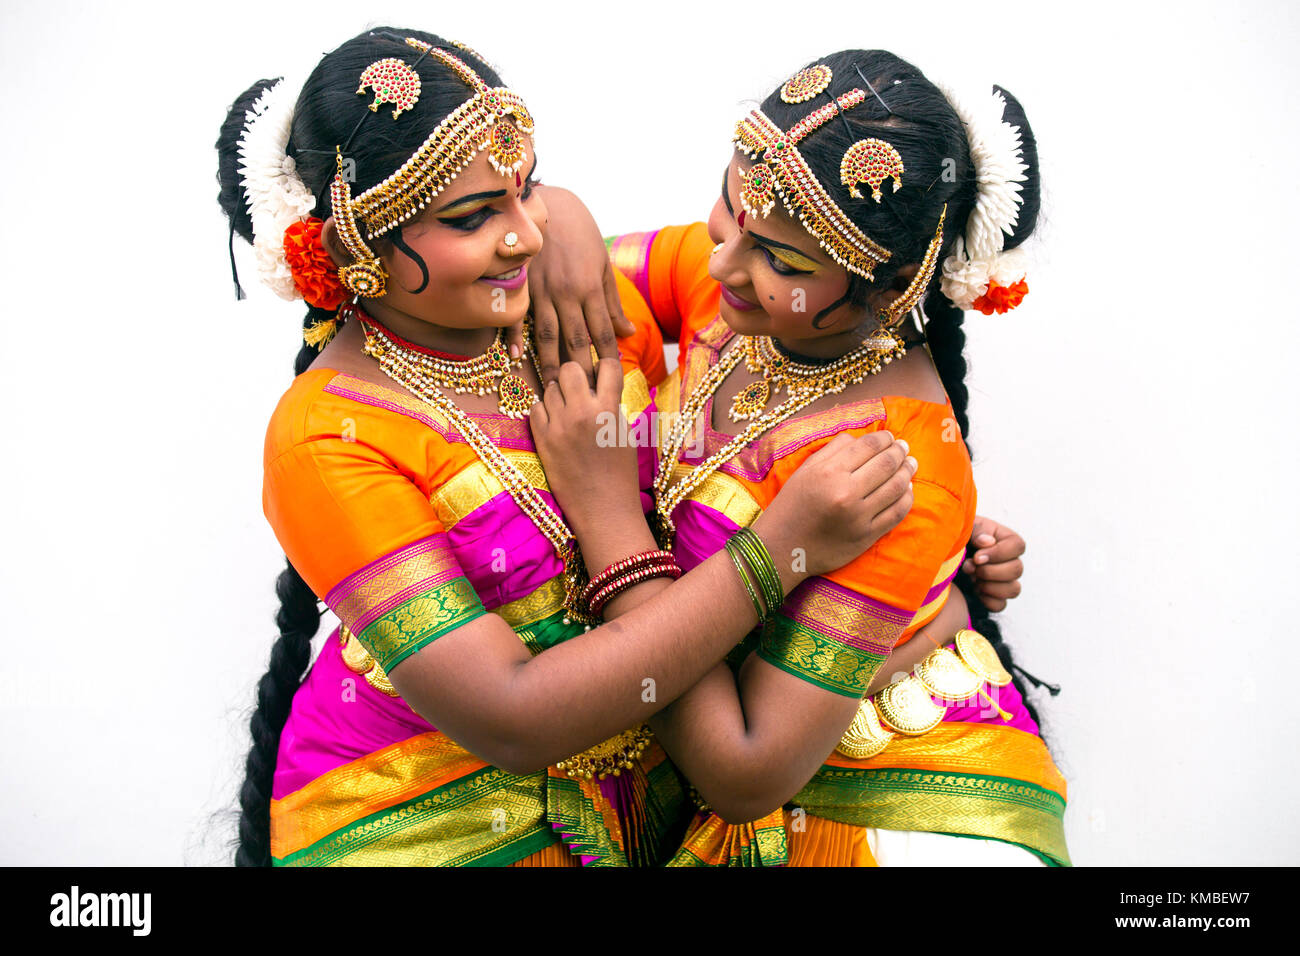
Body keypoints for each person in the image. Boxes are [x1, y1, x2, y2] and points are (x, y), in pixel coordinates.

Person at [215, 28, 917, 867]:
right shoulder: (326, 440)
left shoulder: (557, 302)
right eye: (475, 216)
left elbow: (803, 300)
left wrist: (937, 570)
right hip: (434, 820)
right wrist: (776, 551)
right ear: (348, 250)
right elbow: (515, 716)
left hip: (650, 795)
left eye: (529, 187)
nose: (524, 234)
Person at [531, 49, 1068, 866]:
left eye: (781, 260)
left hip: (881, 810)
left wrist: (607, 516)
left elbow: (745, 771)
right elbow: (542, 268)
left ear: (889, 290)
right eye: (730, 202)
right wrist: (555, 209)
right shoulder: (745, 296)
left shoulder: (893, 464)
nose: (721, 261)